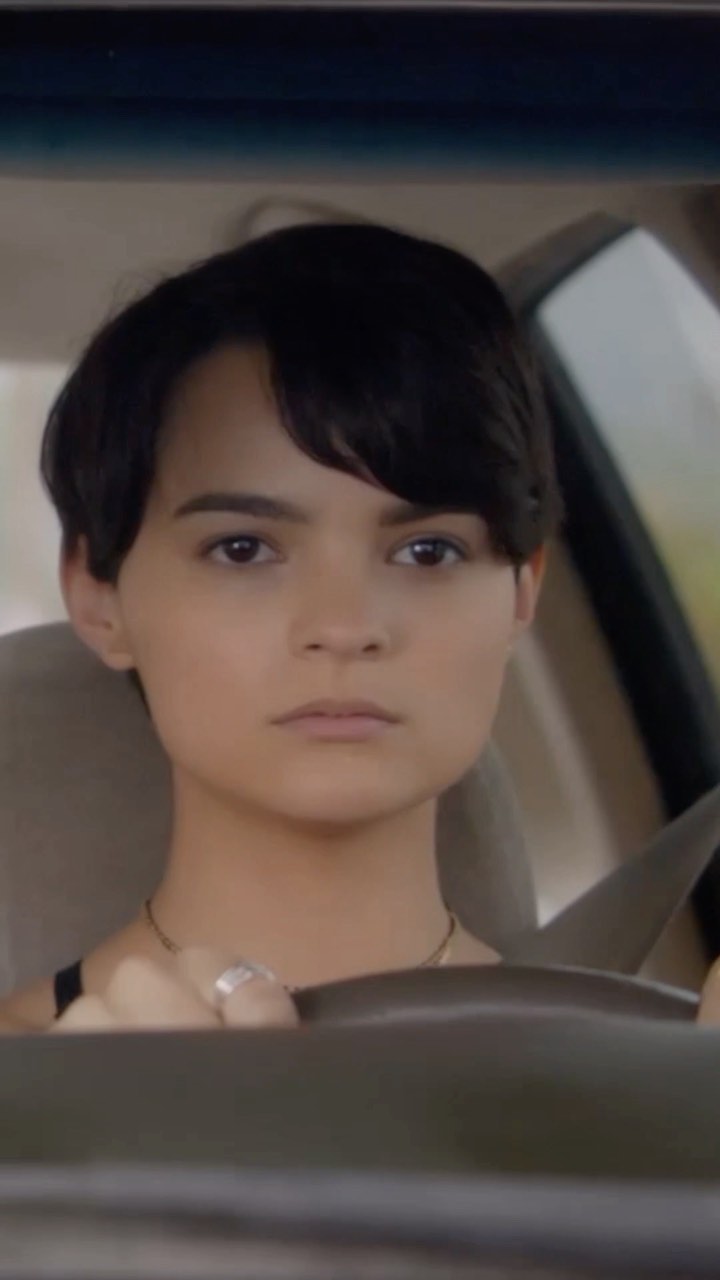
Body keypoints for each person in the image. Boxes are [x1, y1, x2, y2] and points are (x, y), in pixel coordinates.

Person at [1, 221, 716, 1034]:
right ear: (98, 596)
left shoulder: (662, 1063)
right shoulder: (23, 1078)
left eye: (427, 551)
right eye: (242, 549)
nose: (344, 627)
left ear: (523, 593)